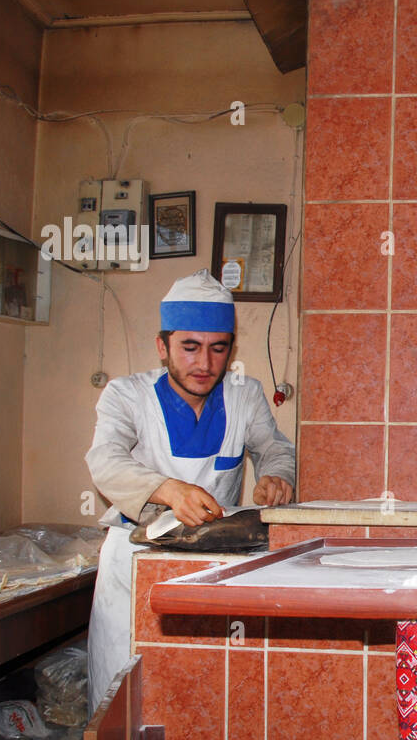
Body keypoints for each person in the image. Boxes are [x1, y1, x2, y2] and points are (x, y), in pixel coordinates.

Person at [84, 271, 296, 711]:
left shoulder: (245, 395)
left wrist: (278, 476)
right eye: (190, 347)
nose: (204, 363)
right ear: (163, 347)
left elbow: (274, 448)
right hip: (134, 563)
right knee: (123, 703)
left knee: (199, 701)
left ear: (230, 350)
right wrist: (167, 490)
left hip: (212, 565)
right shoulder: (125, 397)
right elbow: (104, 461)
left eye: (218, 348)